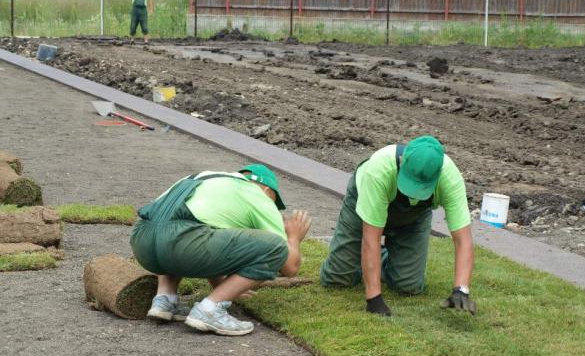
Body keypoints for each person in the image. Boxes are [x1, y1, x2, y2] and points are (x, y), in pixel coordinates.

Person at [130, 164, 312, 336]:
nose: (273, 207)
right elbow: (290, 267)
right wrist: (293, 237)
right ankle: (210, 309)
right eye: (274, 201)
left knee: (174, 232)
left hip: (142, 243)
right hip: (184, 241)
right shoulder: (256, 194)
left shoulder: (204, 180)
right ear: (266, 190)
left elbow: (208, 233)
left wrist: (224, 284)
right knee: (275, 246)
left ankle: (165, 300)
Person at [320, 135, 476, 316]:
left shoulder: (450, 178)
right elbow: (371, 237)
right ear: (402, 162)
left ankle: (377, 256)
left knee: (408, 286)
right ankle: (355, 252)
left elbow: (463, 240)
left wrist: (461, 290)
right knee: (337, 278)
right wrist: (374, 298)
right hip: (365, 200)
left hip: (413, 217)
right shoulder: (379, 170)